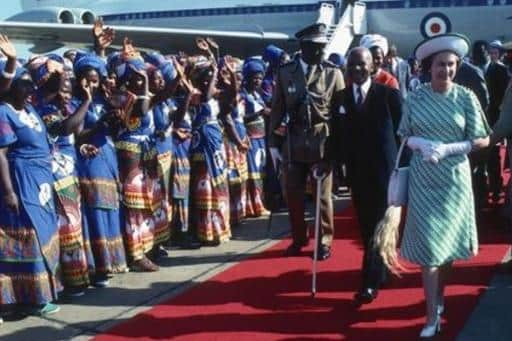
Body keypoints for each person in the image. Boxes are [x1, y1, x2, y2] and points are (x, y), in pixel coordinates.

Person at [397, 33, 490, 338]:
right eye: (440, 65)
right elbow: (403, 135)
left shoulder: (466, 97)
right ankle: (430, 317)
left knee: (447, 247)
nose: (446, 70)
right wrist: (420, 143)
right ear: (428, 66)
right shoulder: (415, 97)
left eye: (451, 65)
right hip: (424, 181)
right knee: (430, 249)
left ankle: (439, 299)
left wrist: (450, 148)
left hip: (454, 182)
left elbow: (483, 138)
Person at [269, 23, 344, 260]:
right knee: (293, 194)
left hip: (322, 141)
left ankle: (324, 241)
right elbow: (277, 109)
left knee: (323, 196)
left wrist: (337, 149)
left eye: (323, 47)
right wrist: (273, 143)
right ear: (303, 47)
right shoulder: (285, 72)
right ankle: (299, 238)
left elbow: (340, 112)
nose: (321, 52)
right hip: (293, 142)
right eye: (316, 47)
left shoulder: (333, 73)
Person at [334, 47, 402, 305]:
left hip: (385, 173)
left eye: (361, 65)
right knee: (365, 226)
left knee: (379, 224)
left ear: (374, 66)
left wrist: (404, 168)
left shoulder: (388, 95)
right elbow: (337, 136)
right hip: (357, 174)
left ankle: (369, 282)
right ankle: (381, 268)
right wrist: (330, 163)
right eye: (351, 65)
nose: (356, 69)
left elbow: (402, 133)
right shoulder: (340, 98)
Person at [0, 65, 61, 315]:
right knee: (30, 238)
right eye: (23, 85)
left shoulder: (29, 107)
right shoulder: (4, 112)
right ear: (10, 87)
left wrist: (56, 72)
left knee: (44, 233)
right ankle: (32, 298)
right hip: (21, 181)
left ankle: (46, 291)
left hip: (41, 181)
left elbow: (52, 89)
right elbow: (1, 154)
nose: (30, 90)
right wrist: (9, 192)